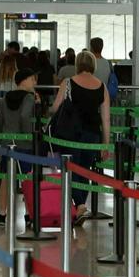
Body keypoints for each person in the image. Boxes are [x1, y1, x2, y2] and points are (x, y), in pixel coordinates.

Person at [50, 51, 109, 223]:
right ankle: (81, 204)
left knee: (72, 168)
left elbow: (55, 107)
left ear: (77, 65)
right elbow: (105, 118)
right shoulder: (102, 86)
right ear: (93, 65)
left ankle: (80, 205)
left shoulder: (68, 82)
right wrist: (106, 143)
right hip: (92, 133)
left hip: (70, 132)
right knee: (86, 169)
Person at [0, 68, 41, 226]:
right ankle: (29, 215)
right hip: (24, 143)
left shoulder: (6, 97)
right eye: (32, 79)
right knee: (27, 179)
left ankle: (2, 214)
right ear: (24, 80)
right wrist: (29, 134)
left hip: (6, 143)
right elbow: (25, 116)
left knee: (5, 178)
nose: (35, 83)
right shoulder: (29, 98)